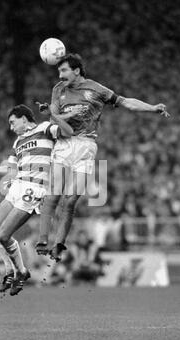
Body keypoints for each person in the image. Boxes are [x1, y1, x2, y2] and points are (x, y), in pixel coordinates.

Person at [36, 53, 170, 262]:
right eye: (58, 71)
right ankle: (42, 240)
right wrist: (55, 114)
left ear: (77, 70)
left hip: (86, 146)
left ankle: (59, 245)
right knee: (53, 195)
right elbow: (55, 116)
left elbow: (126, 102)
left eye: (63, 70)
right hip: (63, 144)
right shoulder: (58, 90)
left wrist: (152, 108)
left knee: (71, 200)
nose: (60, 75)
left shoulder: (97, 89)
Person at [0, 104, 81, 296]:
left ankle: (21, 271)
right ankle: (13, 271)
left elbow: (66, 132)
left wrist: (59, 114)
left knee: (4, 235)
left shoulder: (44, 128)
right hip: (17, 185)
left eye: (12, 122)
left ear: (23, 118)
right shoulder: (17, 142)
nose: (11, 127)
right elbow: (11, 169)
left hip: (34, 187)